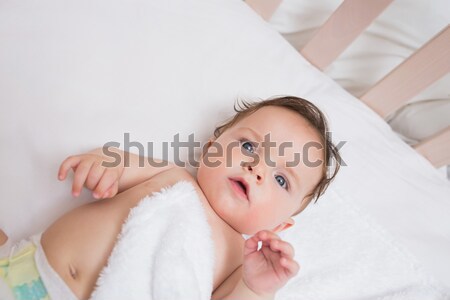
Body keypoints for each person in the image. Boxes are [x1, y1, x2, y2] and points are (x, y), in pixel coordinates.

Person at [0, 96, 340, 299]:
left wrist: (257, 289)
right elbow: (118, 162)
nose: (256, 168)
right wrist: (102, 166)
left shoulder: (240, 263)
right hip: (25, 273)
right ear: (211, 148)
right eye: (249, 146)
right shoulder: (171, 175)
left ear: (281, 225)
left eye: (281, 178)